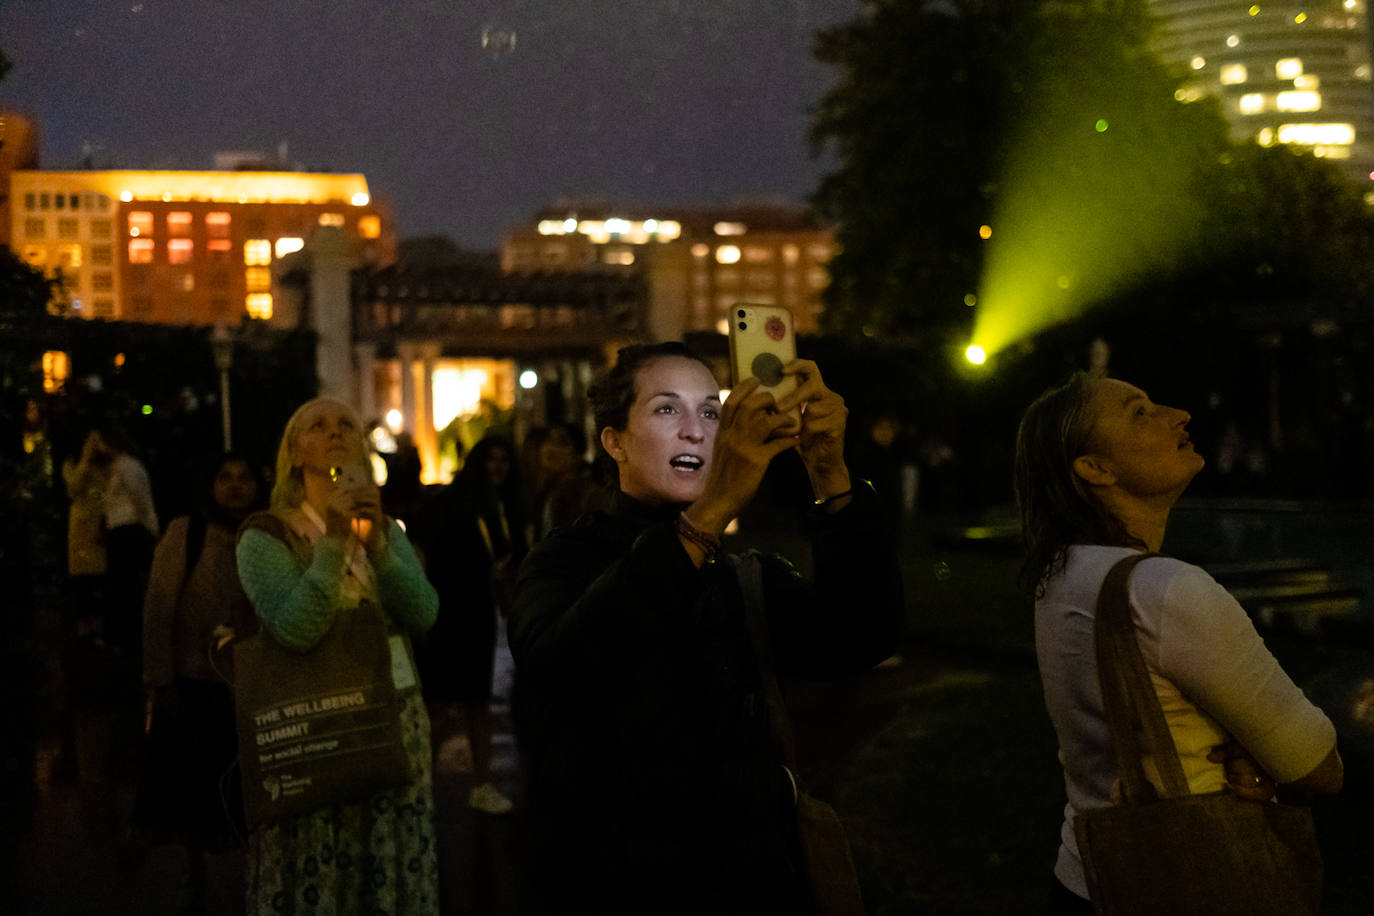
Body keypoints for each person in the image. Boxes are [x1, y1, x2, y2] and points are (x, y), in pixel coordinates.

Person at [507, 342, 903, 913]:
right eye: (667, 408)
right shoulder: (562, 560)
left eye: (712, 411)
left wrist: (830, 476)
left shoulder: (739, 575)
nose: (694, 430)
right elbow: (563, 665)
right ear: (615, 441)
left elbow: (862, 635)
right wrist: (710, 514)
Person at [1014, 372, 1344, 915]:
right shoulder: (1167, 591)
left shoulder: (1062, 575)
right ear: (1097, 469)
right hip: (1191, 878)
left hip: (1086, 880)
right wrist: (1265, 759)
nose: (1179, 415)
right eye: (1140, 412)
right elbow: (1318, 766)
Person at [235, 397, 440, 915]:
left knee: (390, 862)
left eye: (346, 424)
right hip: (314, 726)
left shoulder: (386, 529)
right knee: (321, 868)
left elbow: (424, 613)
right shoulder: (265, 535)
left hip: (392, 719)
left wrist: (378, 548)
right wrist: (331, 541)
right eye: (318, 425)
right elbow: (295, 628)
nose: (335, 432)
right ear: (294, 452)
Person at [138, 452, 264, 912]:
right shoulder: (186, 533)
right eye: (224, 477)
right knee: (193, 795)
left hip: (247, 687)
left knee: (246, 796)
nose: (235, 486)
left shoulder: (265, 536)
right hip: (194, 681)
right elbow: (159, 606)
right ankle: (194, 886)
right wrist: (160, 679)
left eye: (244, 477)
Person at [411, 435, 528, 815]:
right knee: (439, 703)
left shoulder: (504, 505)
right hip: (447, 611)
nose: (497, 467)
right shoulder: (452, 503)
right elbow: (424, 549)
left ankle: (481, 784)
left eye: (504, 460)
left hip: (478, 613)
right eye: (491, 460)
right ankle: (418, 786)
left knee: (478, 700)